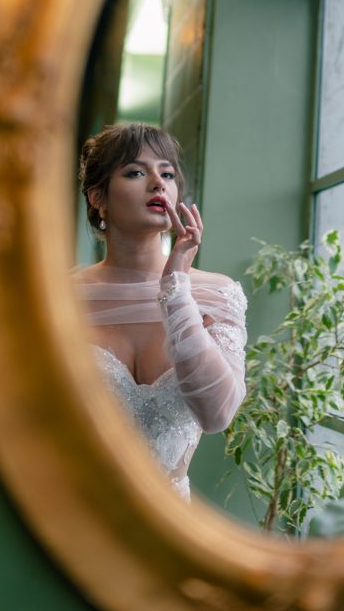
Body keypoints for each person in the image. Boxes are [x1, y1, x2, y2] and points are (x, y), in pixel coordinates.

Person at [75, 122, 247, 499]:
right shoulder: (61, 298)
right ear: (97, 197)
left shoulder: (216, 294)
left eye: (166, 173)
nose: (158, 183)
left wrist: (176, 289)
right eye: (136, 172)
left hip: (169, 528)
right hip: (73, 514)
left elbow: (217, 415)